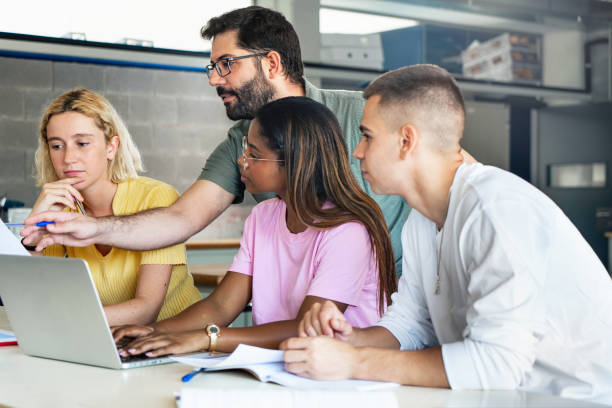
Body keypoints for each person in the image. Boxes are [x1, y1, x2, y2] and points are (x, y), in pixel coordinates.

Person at [280, 65, 612, 405]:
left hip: (581, 399)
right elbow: (410, 326)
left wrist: (354, 363)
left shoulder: (495, 209)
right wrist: (349, 340)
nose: (358, 151)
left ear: (406, 141)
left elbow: (497, 365)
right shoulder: (421, 221)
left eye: (367, 135)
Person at [22, 6, 410, 275]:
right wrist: (93, 228)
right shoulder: (240, 143)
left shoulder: (365, 114)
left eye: (226, 65)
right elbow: (181, 218)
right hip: (311, 312)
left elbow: (449, 168)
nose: (214, 79)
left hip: (399, 305)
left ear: (271, 63)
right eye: (212, 67)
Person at [110, 97, 397, 357]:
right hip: (281, 366)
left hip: (344, 375)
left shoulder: (348, 231)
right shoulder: (264, 216)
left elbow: (307, 328)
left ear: (294, 162)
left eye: (254, 154)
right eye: (246, 149)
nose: (241, 161)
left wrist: (206, 339)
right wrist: (155, 332)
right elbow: (220, 306)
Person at [28, 88, 201, 327]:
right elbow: (37, 299)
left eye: (82, 143)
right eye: (57, 146)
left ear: (111, 147)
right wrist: (33, 235)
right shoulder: (61, 208)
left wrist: (66, 318)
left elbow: (146, 310)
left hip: (176, 342)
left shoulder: (156, 197)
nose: (68, 158)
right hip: (107, 340)